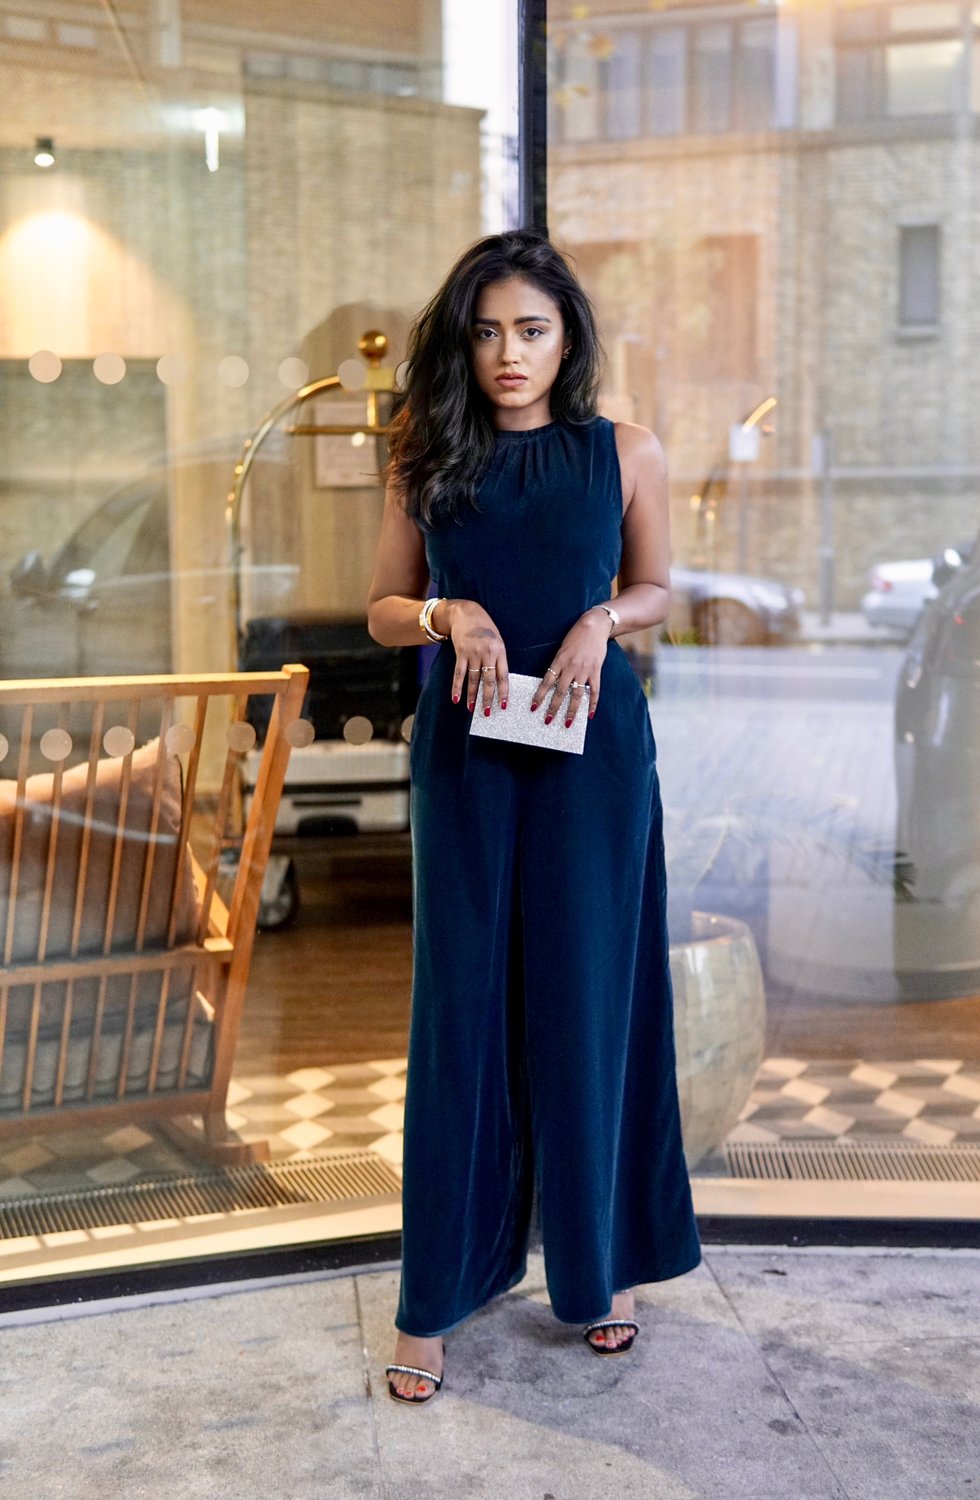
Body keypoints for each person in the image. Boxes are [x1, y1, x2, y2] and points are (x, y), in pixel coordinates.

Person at [366, 229, 702, 1406]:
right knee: (459, 1015)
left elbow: (657, 584)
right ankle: (434, 1298)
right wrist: (443, 612)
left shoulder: (625, 451)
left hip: (589, 756)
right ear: (462, 343)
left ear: (567, 338)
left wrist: (602, 621)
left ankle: (600, 1268)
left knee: (589, 1000)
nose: (507, 353)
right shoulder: (424, 453)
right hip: (464, 754)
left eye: (531, 329)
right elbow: (378, 607)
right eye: (486, 330)